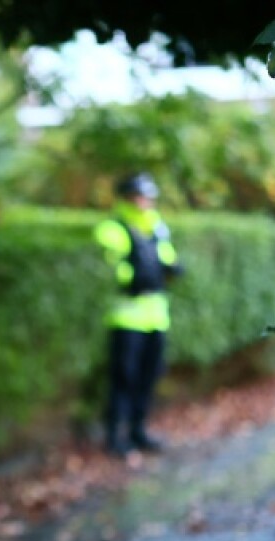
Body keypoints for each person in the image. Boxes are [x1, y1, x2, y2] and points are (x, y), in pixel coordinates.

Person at [92, 171, 184, 456]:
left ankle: (138, 430)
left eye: (147, 196)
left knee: (148, 376)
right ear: (125, 198)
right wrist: (136, 276)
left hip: (156, 316)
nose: (144, 202)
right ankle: (114, 435)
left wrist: (169, 268)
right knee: (123, 378)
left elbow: (167, 259)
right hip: (126, 317)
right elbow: (116, 270)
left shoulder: (156, 226)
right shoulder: (113, 228)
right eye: (138, 196)